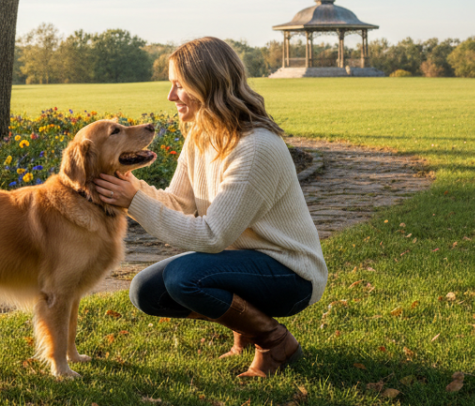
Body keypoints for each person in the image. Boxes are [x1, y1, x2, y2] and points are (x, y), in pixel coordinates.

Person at [93, 37, 327, 378]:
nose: (171, 97)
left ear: (207, 86)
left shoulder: (255, 147)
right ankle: (247, 326)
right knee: (147, 292)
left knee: (184, 278)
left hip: (290, 273)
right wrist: (132, 188)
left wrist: (134, 202)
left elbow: (213, 236)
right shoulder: (201, 134)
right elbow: (180, 203)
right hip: (241, 263)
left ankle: (274, 341)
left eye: (179, 86)